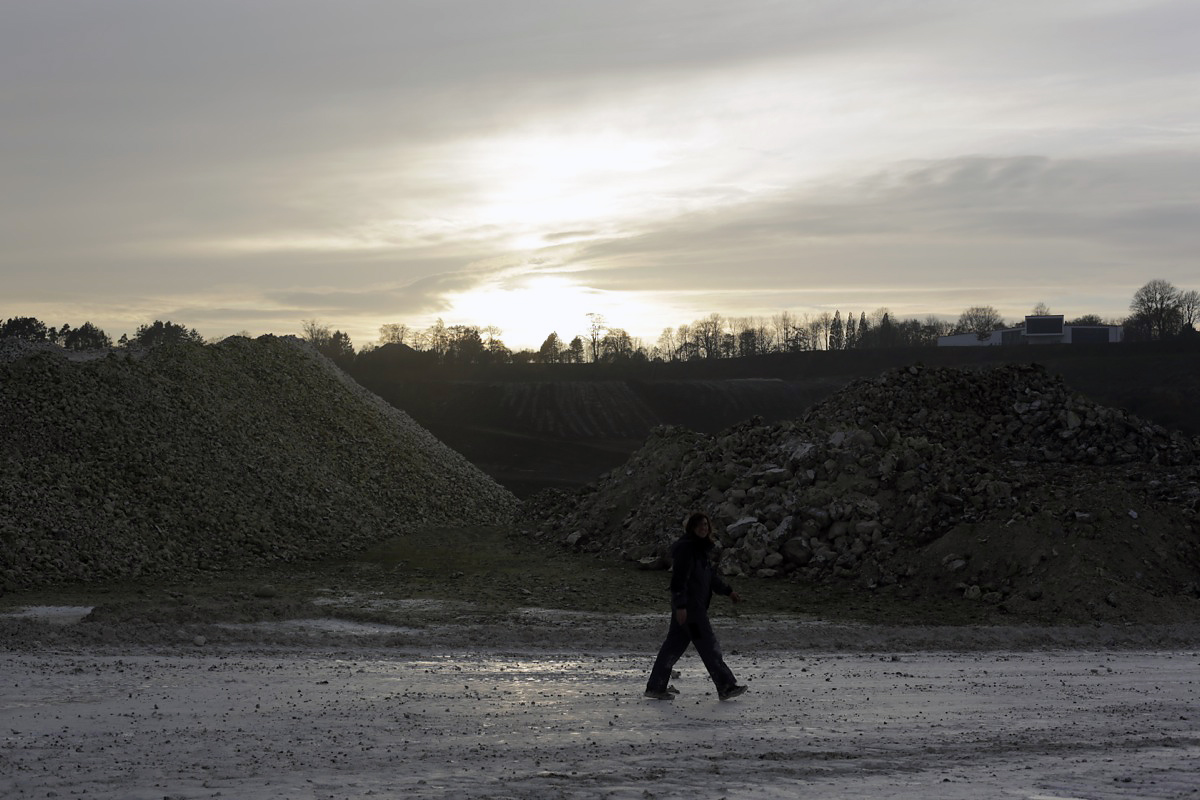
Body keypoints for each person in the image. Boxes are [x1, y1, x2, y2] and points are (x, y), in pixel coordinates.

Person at [644, 511, 747, 701]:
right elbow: (678, 580)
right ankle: (726, 686)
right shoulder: (687, 549)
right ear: (692, 527)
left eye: (706, 525)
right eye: (700, 525)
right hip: (691, 612)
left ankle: (656, 687)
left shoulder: (699, 550)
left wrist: (728, 591)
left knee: (672, 648)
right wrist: (681, 606)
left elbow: (709, 578)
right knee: (708, 646)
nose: (703, 528)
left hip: (688, 610)